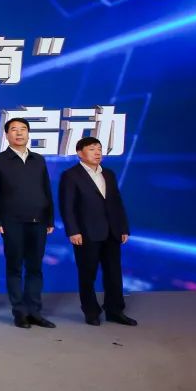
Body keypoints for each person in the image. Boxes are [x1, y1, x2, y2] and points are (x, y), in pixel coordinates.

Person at [0, 118, 56, 329]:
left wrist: (50, 218)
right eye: (14, 130)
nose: (19, 133)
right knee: (14, 267)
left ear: (28, 133)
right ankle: (20, 312)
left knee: (35, 268)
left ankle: (35, 311)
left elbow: (46, 190)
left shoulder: (38, 160)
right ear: (6, 135)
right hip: (11, 221)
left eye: (23, 129)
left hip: (39, 221)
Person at [58, 136, 136, 327]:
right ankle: (91, 311)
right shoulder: (71, 175)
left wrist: (123, 227)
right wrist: (73, 231)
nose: (97, 153)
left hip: (112, 231)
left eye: (99, 149)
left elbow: (117, 203)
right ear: (80, 153)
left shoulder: (108, 174)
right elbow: (67, 206)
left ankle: (115, 310)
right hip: (86, 233)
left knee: (114, 273)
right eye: (92, 149)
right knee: (88, 274)